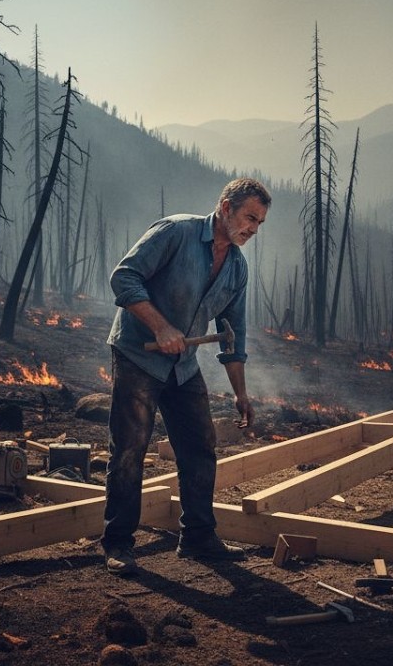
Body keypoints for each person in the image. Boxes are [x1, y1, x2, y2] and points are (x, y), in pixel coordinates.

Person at [100, 177, 271, 576]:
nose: (253, 229)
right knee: (129, 449)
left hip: (183, 366)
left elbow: (234, 334)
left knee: (199, 446)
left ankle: (197, 537)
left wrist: (241, 394)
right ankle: (117, 543)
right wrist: (161, 326)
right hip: (138, 355)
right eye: (249, 218)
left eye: (260, 223)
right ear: (226, 208)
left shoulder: (236, 268)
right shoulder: (175, 233)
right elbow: (123, 278)